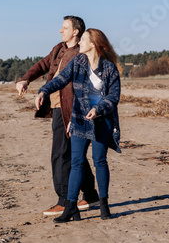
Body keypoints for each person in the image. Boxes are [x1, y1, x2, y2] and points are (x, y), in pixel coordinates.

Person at [16, 15, 99, 216]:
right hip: (56, 106)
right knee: (72, 152)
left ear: (75, 31)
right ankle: (90, 193)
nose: (60, 30)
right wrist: (26, 79)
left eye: (64, 27)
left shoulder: (82, 53)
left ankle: (63, 200)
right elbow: (43, 64)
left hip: (71, 108)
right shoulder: (59, 48)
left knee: (60, 153)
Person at [35, 28, 121, 222]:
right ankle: (71, 207)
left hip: (102, 120)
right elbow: (60, 80)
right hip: (80, 120)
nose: (79, 42)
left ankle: (104, 205)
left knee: (100, 161)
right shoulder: (78, 62)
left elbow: (113, 97)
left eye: (83, 39)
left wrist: (98, 109)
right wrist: (43, 91)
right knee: (76, 162)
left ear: (93, 44)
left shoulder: (109, 68)